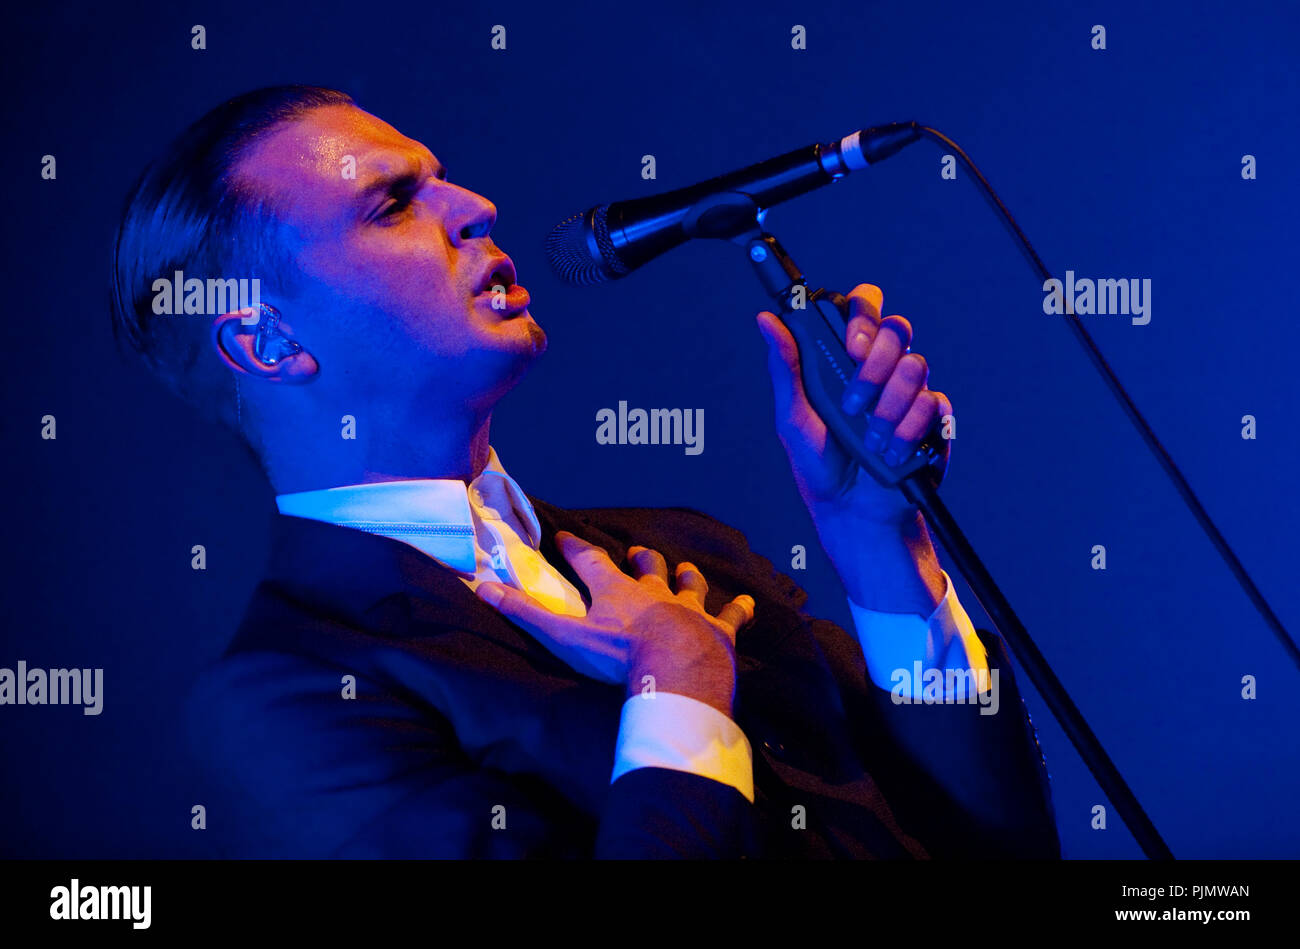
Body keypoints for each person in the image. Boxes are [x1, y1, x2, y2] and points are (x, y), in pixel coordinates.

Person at [112, 85, 1059, 858]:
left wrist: (881, 547)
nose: (475, 206)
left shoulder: (683, 548)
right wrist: (681, 679)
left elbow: (993, 843)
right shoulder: (288, 695)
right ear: (267, 338)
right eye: (393, 202)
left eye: (442, 178)